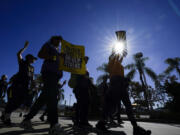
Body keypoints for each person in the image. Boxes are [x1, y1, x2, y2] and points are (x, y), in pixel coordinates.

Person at [96, 54, 151, 135]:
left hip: (122, 85)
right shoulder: (111, 63)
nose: (119, 58)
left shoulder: (119, 65)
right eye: (115, 57)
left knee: (128, 106)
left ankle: (135, 128)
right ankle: (101, 124)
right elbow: (116, 54)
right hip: (115, 84)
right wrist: (119, 45)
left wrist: (123, 47)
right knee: (111, 107)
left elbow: (121, 56)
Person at [21, 36, 65, 135]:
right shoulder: (48, 45)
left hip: (55, 76)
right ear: (52, 39)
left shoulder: (58, 51)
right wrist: (53, 57)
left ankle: (26, 120)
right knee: (53, 97)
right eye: (57, 39)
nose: (59, 41)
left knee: (43, 98)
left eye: (60, 40)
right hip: (49, 73)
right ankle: (54, 125)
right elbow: (40, 54)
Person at [1, 41, 37, 125]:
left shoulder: (32, 68)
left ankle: (5, 115)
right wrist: (25, 48)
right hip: (18, 86)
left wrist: (33, 85)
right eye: (33, 58)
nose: (34, 60)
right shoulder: (23, 63)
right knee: (13, 102)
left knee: (19, 103)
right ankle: (6, 118)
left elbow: (31, 78)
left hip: (26, 87)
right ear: (29, 58)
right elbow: (18, 54)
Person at [72, 56, 93, 128]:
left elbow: (88, 80)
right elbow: (77, 78)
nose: (86, 61)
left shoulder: (86, 70)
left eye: (87, 60)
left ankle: (84, 121)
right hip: (79, 89)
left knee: (86, 104)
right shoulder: (78, 68)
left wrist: (91, 86)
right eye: (85, 59)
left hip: (86, 89)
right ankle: (77, 121)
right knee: (80, 105)